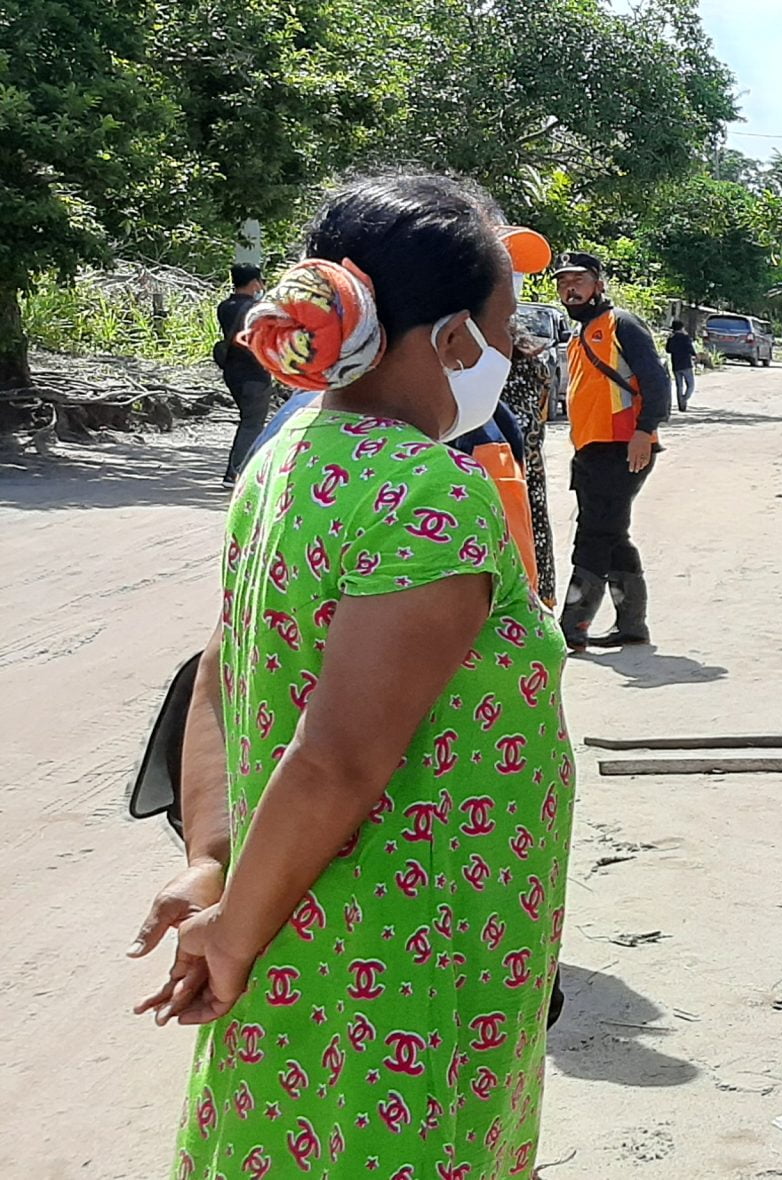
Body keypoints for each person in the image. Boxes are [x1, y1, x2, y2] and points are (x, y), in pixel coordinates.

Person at [126, 172, 576, 1179]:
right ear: (455, 340)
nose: (515, 353)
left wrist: (215, 865)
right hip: (410, 950)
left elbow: (218, 677)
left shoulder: (289, 460)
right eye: (507, 328)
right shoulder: (430, 492)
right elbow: (334, 759)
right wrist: (231, 931)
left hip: (294, 913)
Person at [552, 250, 671, 649]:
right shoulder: (580, 334)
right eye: (564, 282)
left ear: (599, 285)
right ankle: (632, 625)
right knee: (612, 534)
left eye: (579, 281)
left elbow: (656, 379)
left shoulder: (622, 324)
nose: (570, 289)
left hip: (622, 446)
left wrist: (645, 430)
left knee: (594, 535)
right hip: (591, 449)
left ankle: (572, 625)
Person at [499, 322, 560, 605]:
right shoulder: (537, 364)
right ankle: (543, 596)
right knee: (534, 524)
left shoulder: (491, 366)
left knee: (510, 528)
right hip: (529, 454)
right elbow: (541, 410)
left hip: (502, 457)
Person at [213, 264, 272, 483]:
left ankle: (241, 467)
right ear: (255, 282)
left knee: (247, 420)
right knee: (252, 423)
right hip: (255, 372)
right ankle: (237, 471)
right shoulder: (257, 309)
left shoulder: (224, 306)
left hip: (232, 371)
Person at [665, 318, 697, 412]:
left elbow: (668, 350)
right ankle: (684, 399)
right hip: (686, 364)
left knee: (679, 386)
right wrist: (695, 355)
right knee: (690, 385)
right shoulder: (685, 338)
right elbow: (690, 349)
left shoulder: (671, 338)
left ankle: (681, 405)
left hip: (676, 364)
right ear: (682, 327)